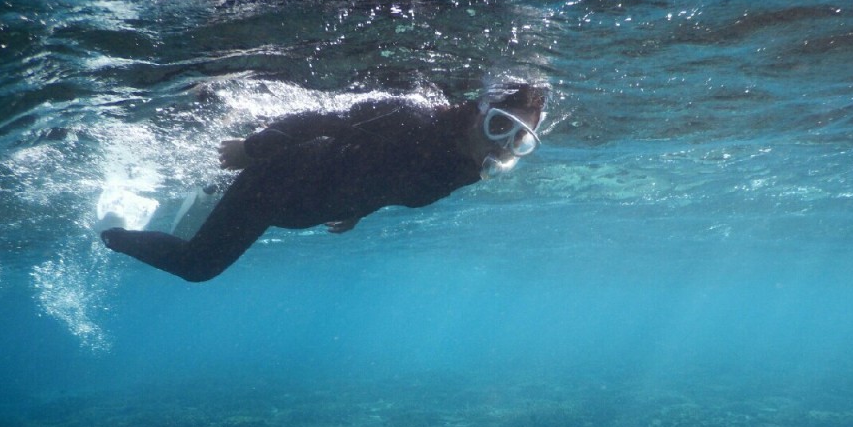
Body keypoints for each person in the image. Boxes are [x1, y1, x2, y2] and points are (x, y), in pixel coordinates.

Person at [100, 83, 546, 281]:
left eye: (520, 139)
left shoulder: (464, 171)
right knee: (197, 266)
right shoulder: (412, 118)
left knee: (204, 233)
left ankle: (195, 199)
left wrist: (359, 209)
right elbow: (322, 119)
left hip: (304, 207)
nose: (505, 145)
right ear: (478, 112)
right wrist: (251, 150)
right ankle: (109, 232)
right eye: (500, 126)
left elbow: (397, 184)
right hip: (280, 179)